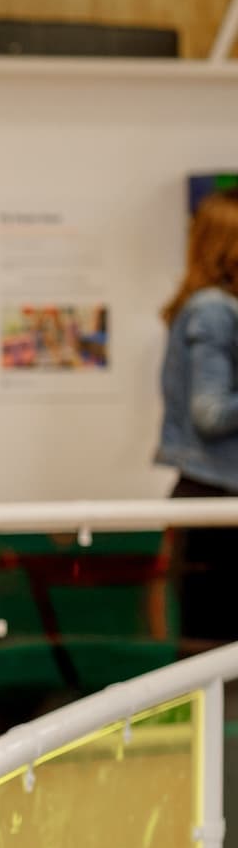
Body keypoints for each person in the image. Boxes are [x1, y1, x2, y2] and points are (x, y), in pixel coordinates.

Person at [156, 192, 238, 651]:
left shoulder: (206, 306)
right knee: (214, 655)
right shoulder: (213, 309)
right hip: (216, 502)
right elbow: (210, 412)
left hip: (210, 499)